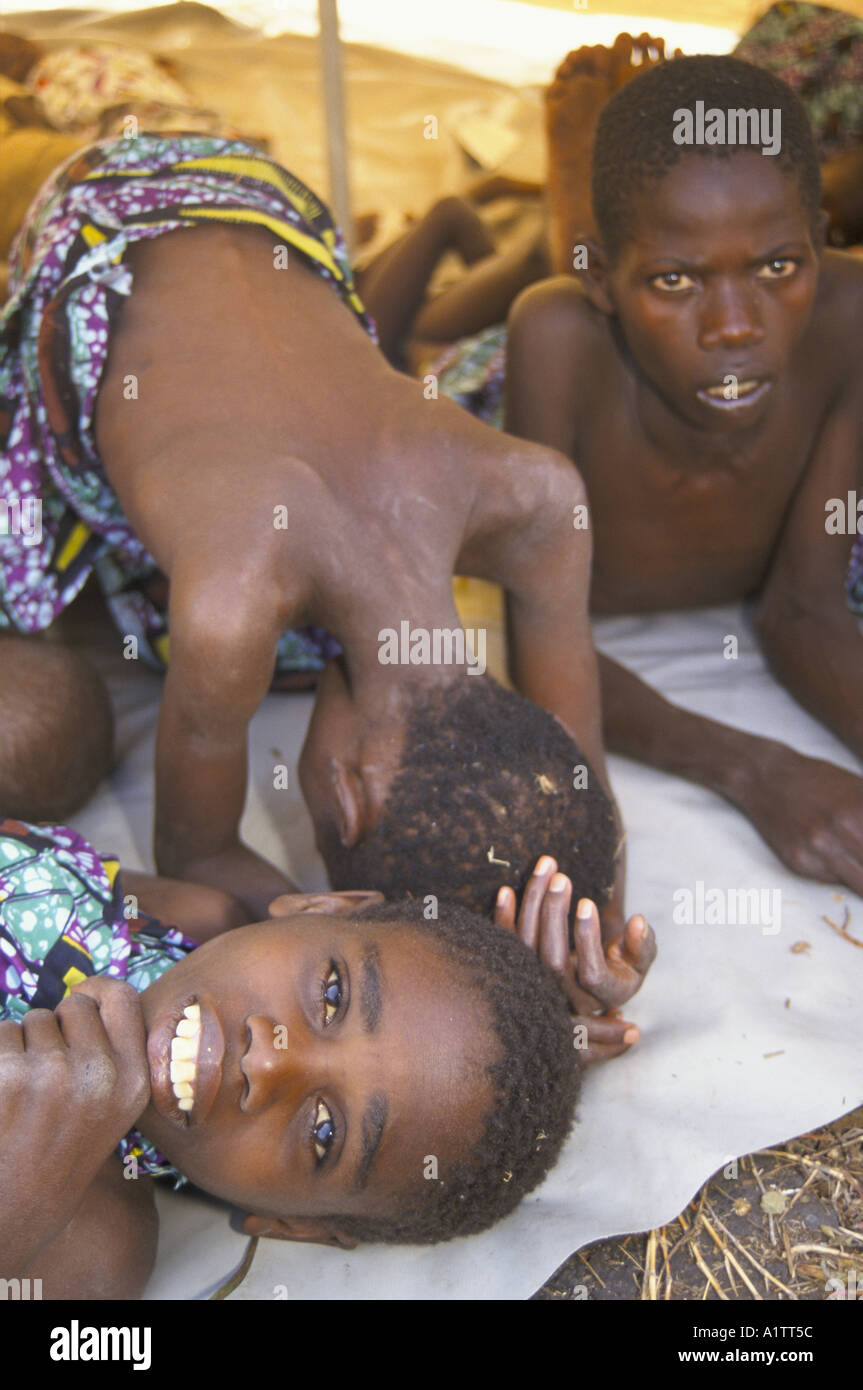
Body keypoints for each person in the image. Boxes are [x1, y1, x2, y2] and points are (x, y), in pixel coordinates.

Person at [0, 131, 637, 937]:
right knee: (21, 147)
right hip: (89, 217)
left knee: (288, 657)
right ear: (345, 796)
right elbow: (201, 859)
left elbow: (586, 797)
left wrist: (592, 918)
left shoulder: (540, 494)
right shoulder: (231, 600)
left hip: (267, 197)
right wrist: (370, 944)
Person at [436, 54, 863, 899]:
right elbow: (543, 641)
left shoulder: (847, 320)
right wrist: (759, 773)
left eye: (778, 265)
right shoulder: (560, 340)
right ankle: (548, 224)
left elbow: (801, 605)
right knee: (429, 383)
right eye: (677, 280)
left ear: (821, 240)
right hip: (502, 384)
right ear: (604, 281)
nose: (734, 327)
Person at [0, 819, 656, 1298]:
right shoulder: (188, 916)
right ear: (319, 907)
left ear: (293, 1224)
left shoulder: (91, 1251)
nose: (269, 1064)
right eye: (334, 995)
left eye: (324, 1135)